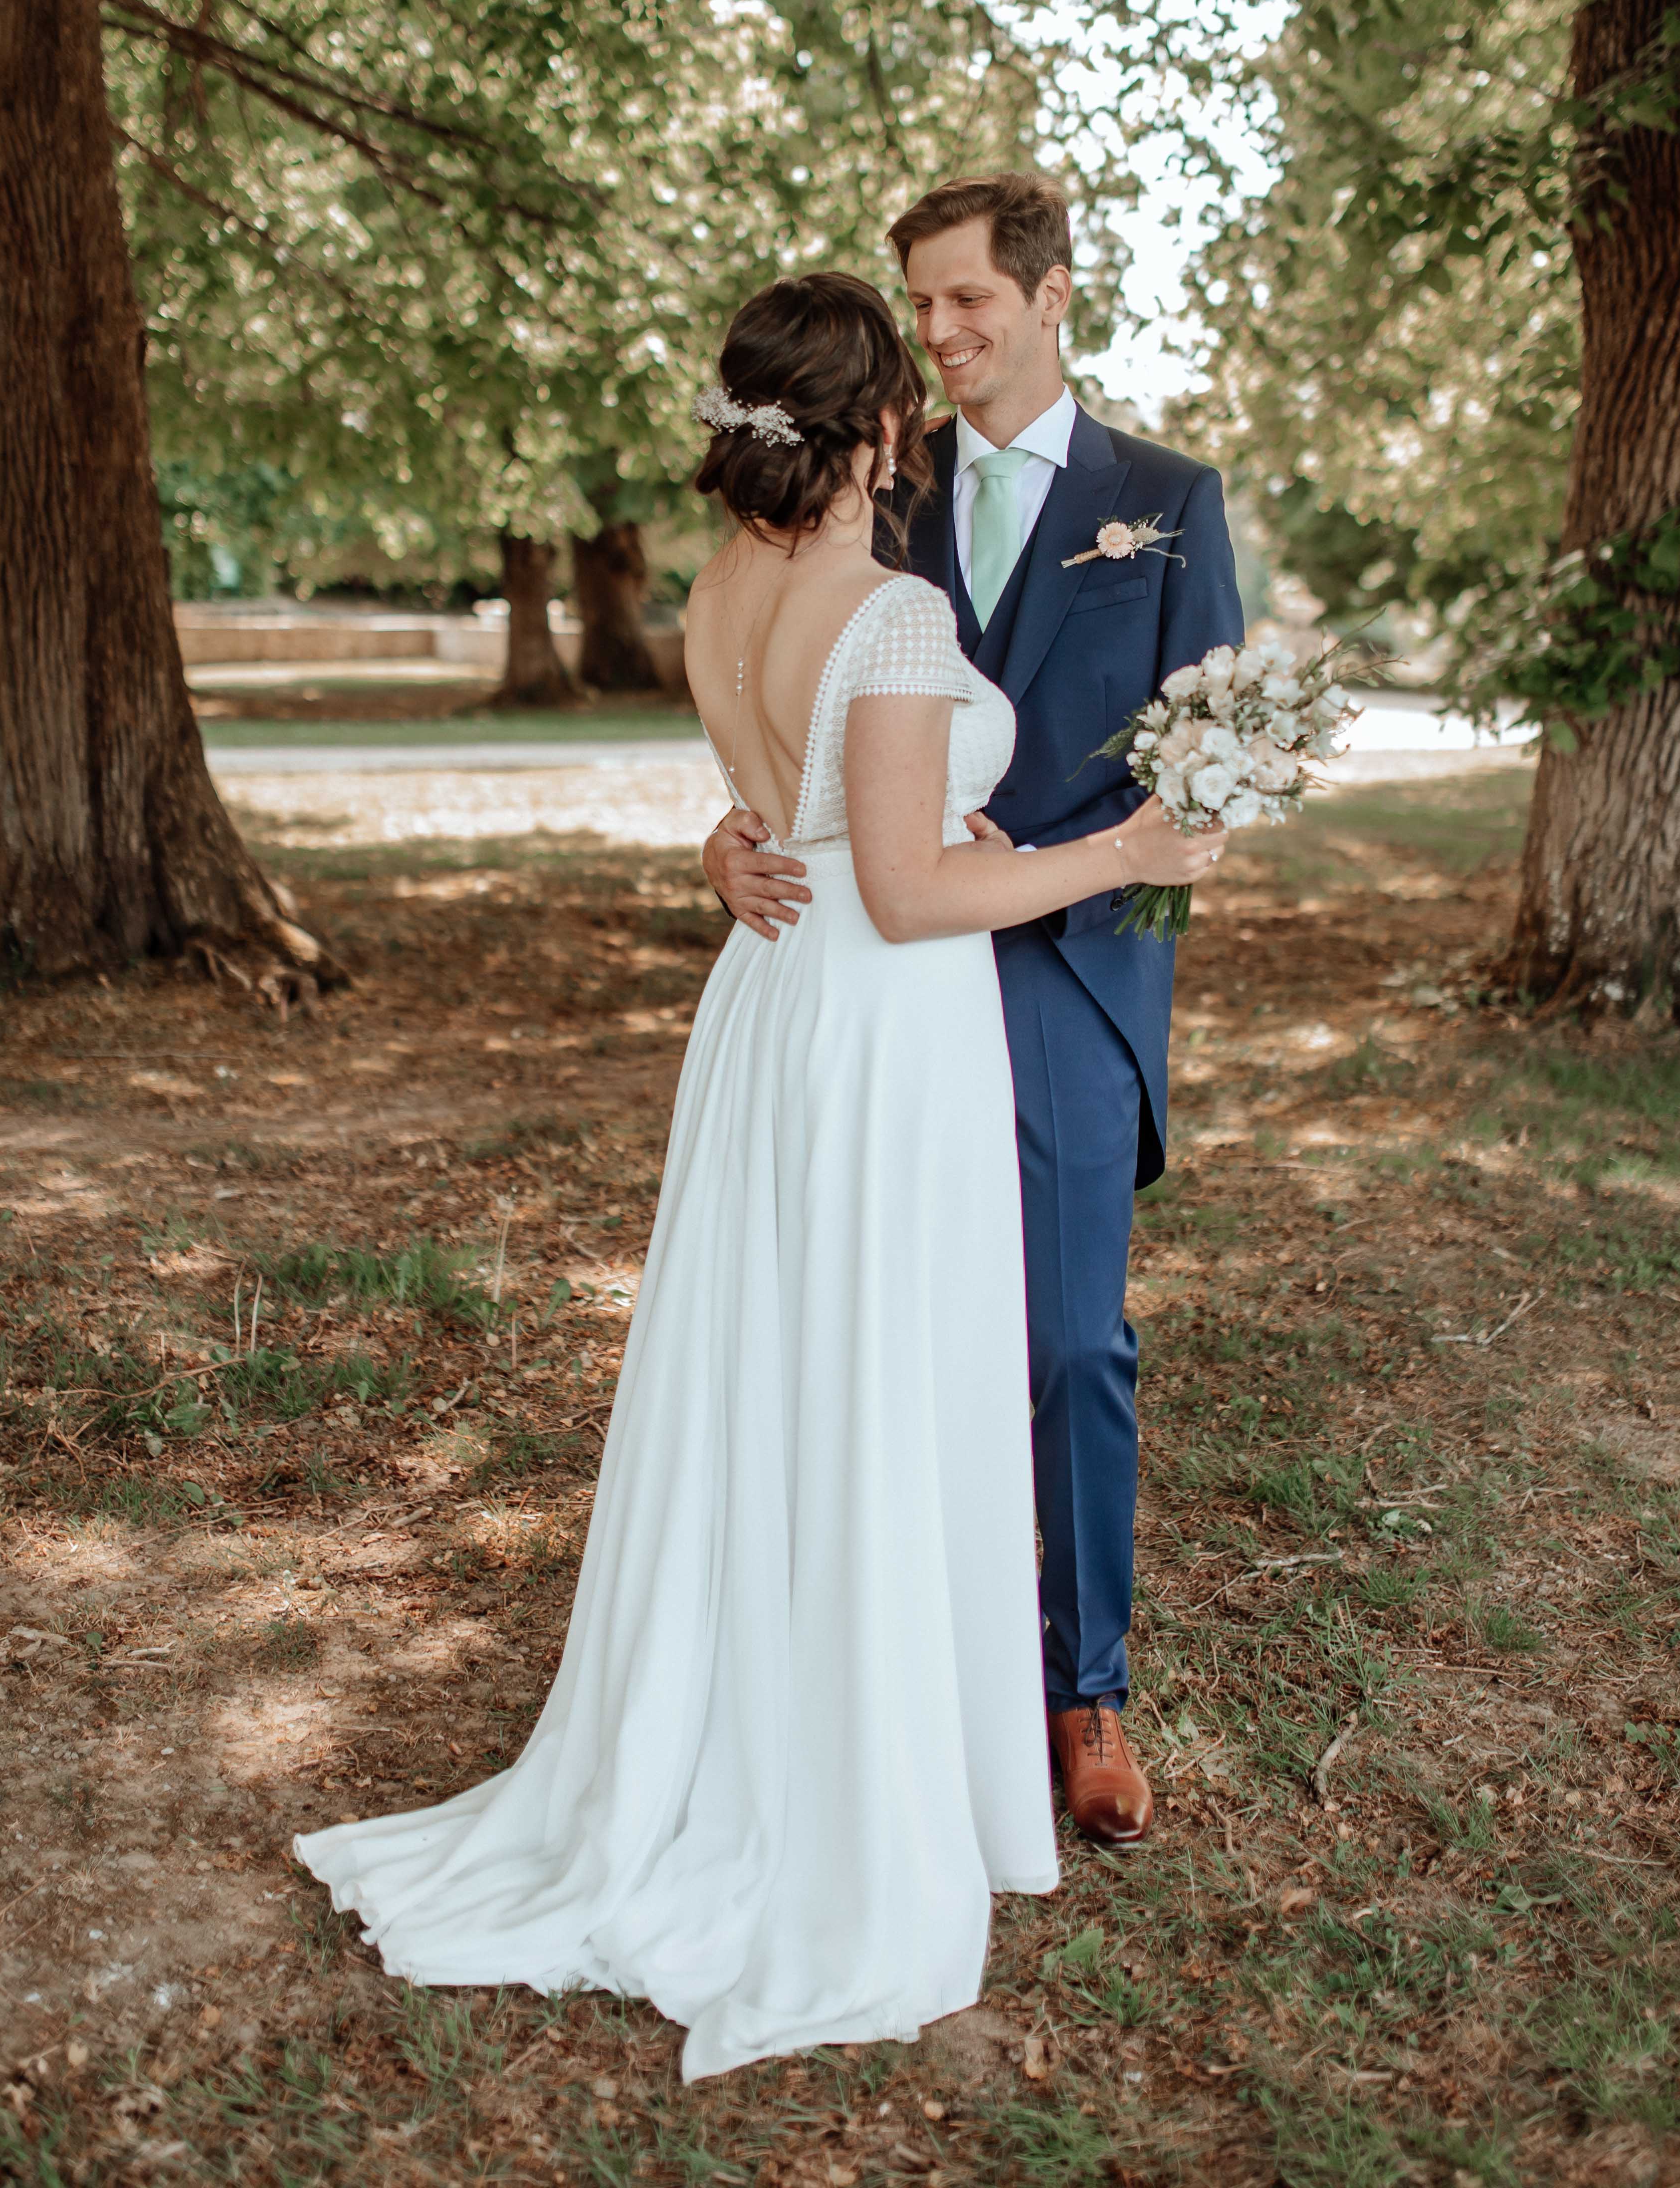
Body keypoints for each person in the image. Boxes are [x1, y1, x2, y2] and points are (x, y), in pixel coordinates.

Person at [295, 270, 1220, 2080]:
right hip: (877, 1032)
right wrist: (1118, 843)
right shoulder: (880, 612)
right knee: (865, 1383)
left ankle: (756, 1710)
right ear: (878, 430)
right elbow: (908, 890)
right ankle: (840, 1782)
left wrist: (751, 841)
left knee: (774, 1380)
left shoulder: (725, 593)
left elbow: (779, 813)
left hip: (771, 1013)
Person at [705, 178, 1244, 1848]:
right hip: (890, 973)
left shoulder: (1165, 500)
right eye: (918, 309)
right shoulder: (874, 492)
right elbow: (796, 716)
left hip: (1068, 974)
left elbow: (1207, 768)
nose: (940, 336)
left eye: (966, 303)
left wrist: (1123, 905)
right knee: (887, 1328)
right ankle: (899, 1659)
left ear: (1050, 294)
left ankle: (1086, 1692)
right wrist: (727, 834)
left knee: (1069, 1338)